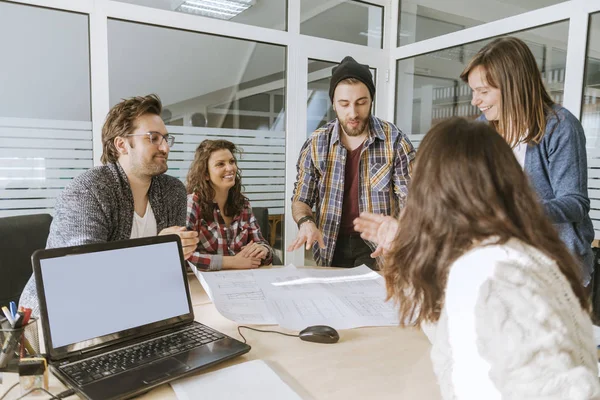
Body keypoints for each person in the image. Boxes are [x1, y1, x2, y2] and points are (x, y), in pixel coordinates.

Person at [371, 118, 599, 399]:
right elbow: (451, 333)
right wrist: (401, 250)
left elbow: (565, 391)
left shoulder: (493, 276)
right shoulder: (503, 255)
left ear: (436, 195)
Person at [19, 94, 199, 316]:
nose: (164, 147)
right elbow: (81, 274)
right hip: (59, 314)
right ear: (122, 144)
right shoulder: (89, 189)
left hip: (131, 307)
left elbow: (168, 272)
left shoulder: (172, 191)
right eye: (153, 138)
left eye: (165, 138)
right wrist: (159, 251)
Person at [461, 36, 595, 286]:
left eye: (483, 91)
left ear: (513, 86)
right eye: (473, 91)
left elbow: (575, 203)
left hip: (554, 266)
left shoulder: (559, 126)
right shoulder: (483, 128)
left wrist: (517, 211)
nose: (475, 101)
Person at [288, 56, 415, 269]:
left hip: (377, 247)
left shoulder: (395, 141)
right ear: (333, 104)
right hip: (330, 243)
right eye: (344, 104)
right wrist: (306, 222)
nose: (353, 113)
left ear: (371, 100)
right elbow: (301, 199)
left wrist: (400, 232)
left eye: (361, 103)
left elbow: (413, 201)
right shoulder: (316, 143)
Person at [185, 139, 273, 271]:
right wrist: (233, 262)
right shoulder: (192, 204)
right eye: (220, 164)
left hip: (243, 280)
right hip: (205, 285)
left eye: (232, 162)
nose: (230, 168)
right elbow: (184, 257)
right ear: (205, 174)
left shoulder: (243, 204)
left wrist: (262, 250)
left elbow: (261, 243)